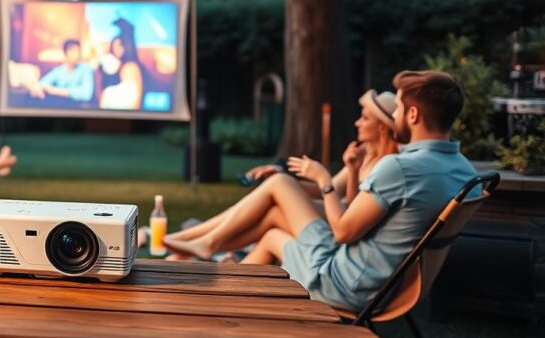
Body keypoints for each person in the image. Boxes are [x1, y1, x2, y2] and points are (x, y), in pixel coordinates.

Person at [194, 70, 477, 312]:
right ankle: (216, 272)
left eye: (399, 109)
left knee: (277, 205)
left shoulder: (400, 168)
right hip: (392, 285)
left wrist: (325, 181)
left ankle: (220, 294)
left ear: (413, 114)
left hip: (349, 284)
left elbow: (343, 232)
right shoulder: (465, 171)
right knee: (273, 229)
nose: (397, 115)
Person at [165, 90, 399, 261]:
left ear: (381, 127)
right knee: (276, 200)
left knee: (279, 186)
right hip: (333, 216)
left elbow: (348, 210)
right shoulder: (364, 154)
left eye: (365, 118)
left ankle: (197, 240)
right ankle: (196, 244)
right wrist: (293, 180)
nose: (357, 122)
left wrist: (337, 175)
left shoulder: (386, 167)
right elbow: (323, 190)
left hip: (339, 228)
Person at [99, 19, 144, 110]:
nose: (116, 49)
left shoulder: (131, 66)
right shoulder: (110, 62)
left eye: (120, 45)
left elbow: (135, 98)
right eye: (114, 46)